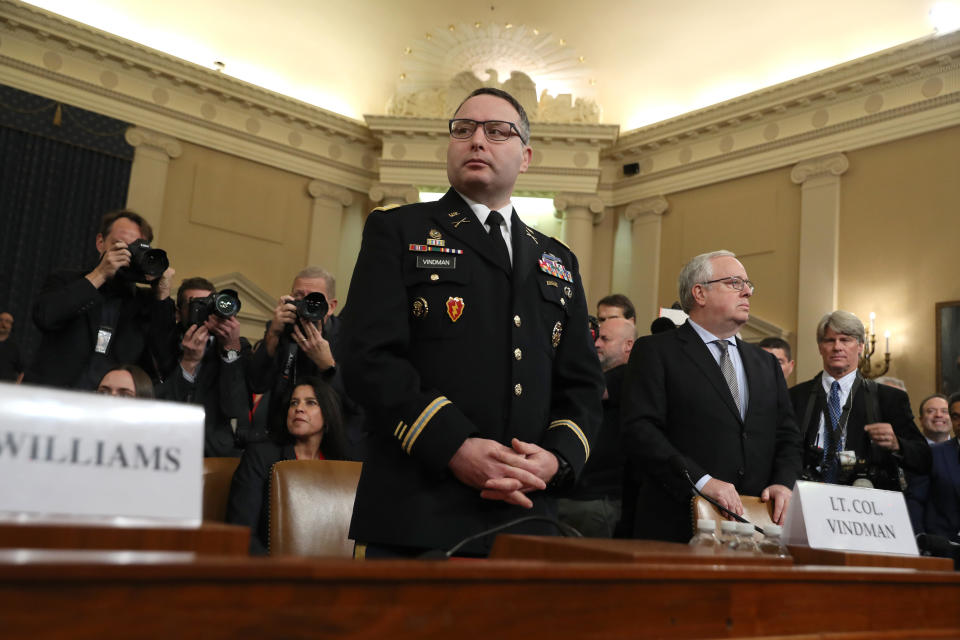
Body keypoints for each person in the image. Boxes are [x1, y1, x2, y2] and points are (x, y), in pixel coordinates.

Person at [340, 87, 604, 557]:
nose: (477, 140)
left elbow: (582, 384)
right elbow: (368, 357)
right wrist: (454, 446)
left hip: (527, 517)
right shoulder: (398, 230)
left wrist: (555, 459)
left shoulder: (556, 259)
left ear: (525, 157)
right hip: (419, 512)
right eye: (464, 130)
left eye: (497, 131)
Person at [621, 250, 802, 543]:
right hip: (678, 523)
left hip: (757, 527)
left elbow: (788, 436)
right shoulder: (656, 351)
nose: (747, 292)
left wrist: (784, 482)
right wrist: (701, 481)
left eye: (748, 284)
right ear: (699, 293)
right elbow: (641, 431)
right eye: (734, 283)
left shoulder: (765, 363)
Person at [24, 209, 177, 390]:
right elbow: (45, 317)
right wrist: (99, 274)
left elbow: (166, 361)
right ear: (100, 242)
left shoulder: (146, 303)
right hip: (52, 399)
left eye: (135, 248)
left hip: (110, 408)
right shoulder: (66, 280)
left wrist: (162, 295)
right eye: (120, 245)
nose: (127, 255)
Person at [789, 311, 930, 490]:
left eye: (845, 340)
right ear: (820, 347)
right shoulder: (795, 396)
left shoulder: (889, 398)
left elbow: (924, 458)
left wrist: (897, 444)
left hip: (866, 501)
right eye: (830, 340)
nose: (837, 347)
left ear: (861, 346)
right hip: (806, 495)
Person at [246, 266, 364, 459]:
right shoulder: (281, 329)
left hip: (338, 446)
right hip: (283, 441)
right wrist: (273, 335)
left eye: (314, 298)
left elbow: (358, 403)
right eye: (299, 296)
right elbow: (257, 383)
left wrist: (328, 366)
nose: (306, 304)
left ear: (332, 306)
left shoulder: (350, 339)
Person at [225, 377, 349, 555]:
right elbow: (242, 533)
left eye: (311, 403)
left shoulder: (339, 465)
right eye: (294, 403)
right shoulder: (260, 456)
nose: (299, 408)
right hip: (271, 572)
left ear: (328, 415)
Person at [157, 278, 252, 457]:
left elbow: (234, 408)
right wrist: (188, 363)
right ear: (179, 312)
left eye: (208, 305)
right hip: (168, 446)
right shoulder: (163, 343)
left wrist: (230, 350)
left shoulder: (238, 347)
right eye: (196, 305)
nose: (204, 313)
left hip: (215, 453)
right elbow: (160, 403)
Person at [557, 317, 634, 537]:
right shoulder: (602, 375)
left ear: (628, 345)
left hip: (596, 500)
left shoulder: (629, 375)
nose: (597, 343)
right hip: (573, 494)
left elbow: (590, 392)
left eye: (605, 339)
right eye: (597, 337)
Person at [906, 411, 960, 544]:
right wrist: (921, 539)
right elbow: (916, 499)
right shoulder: (933, 453)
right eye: (956, 416)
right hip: (943, 547)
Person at [0, 311, 24, 383]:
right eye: (0, 320)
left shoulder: (15, 348)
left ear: (11, 326)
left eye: (7, 321)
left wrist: (16, 387)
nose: (3, 323)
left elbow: (22, 371)